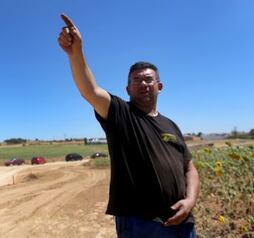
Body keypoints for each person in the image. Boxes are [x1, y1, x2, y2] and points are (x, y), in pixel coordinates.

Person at [57, 14, 200, 238]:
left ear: (159, 86)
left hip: (184, 222)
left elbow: (189, 168)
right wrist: (76, 53)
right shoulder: (122, 114)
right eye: (136, 80)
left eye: (148, 79)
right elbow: (90, 90)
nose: (142, 83)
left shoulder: (171, 125)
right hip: (141, 223)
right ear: (127, 89)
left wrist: (190, 200)